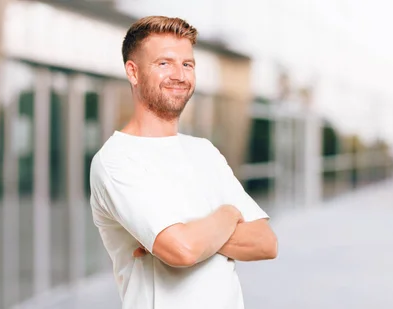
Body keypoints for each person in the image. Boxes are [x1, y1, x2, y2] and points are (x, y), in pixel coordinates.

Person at [89, 16, 278, 309]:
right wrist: (229, 214)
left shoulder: (204, 151)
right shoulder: (116, 159)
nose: (179, 74)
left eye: (187, 64)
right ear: (133, 72)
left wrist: (184, 233)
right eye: (164, 63)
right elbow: (183, 249)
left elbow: (266, 242)